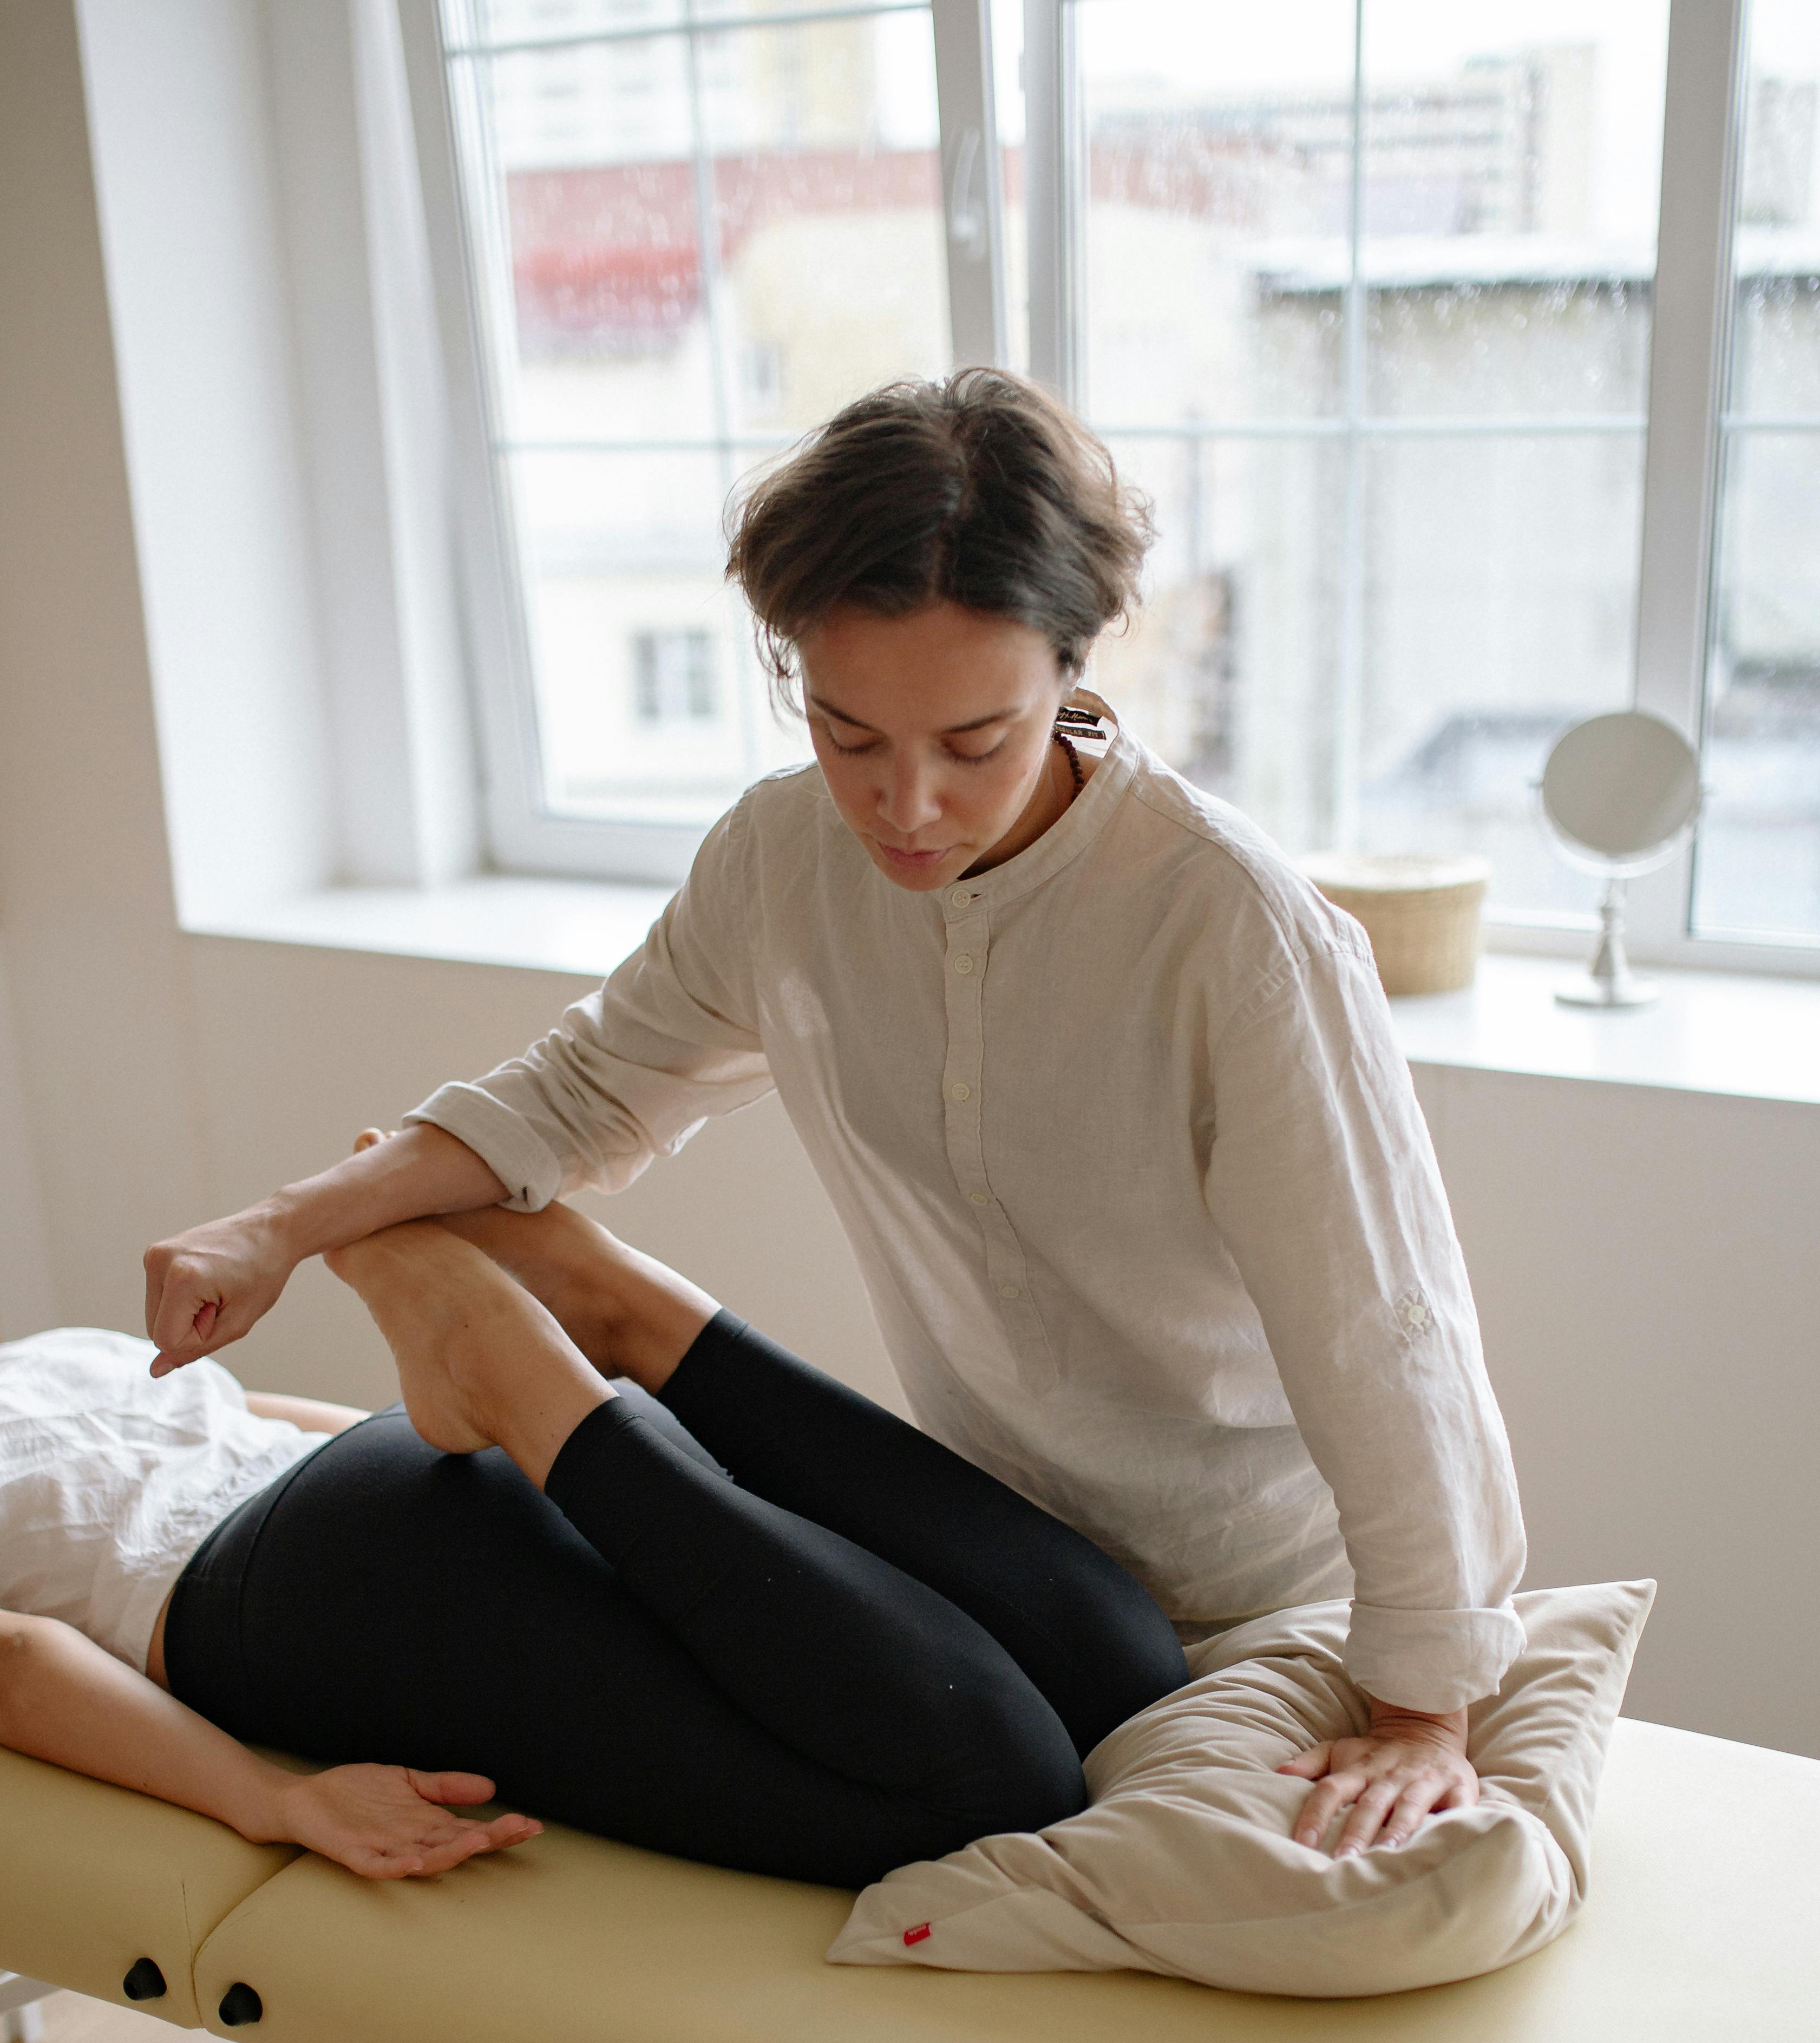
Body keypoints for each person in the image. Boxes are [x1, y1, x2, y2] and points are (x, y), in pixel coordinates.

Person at [141, 368, 1526, 1864]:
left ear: (1073, 665)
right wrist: (275, 1228)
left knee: (993, 1751)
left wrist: (1420, 1706)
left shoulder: (1228, 933)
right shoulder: (782, 861)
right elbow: (576, 1095)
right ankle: (553, 1315)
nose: (906, 805)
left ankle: (586, 1314)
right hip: (969, 1526)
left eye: (974, 743)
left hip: (1246, 1587)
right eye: (848, 733)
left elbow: (1385, 1330)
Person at [1, 1189, 1191, 1885]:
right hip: (395, 1471)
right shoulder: (44, 1352)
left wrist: (269, 1799)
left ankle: (538, 1381)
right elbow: (261, 1414)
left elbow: (16, 1665)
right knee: (1120, 1674)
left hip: (301, 1592)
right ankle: (627, 1314)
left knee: (990, 1786)